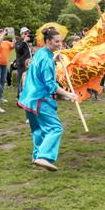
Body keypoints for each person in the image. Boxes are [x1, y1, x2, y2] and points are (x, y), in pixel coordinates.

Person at [18, 27, 78, 172]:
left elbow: (42, 65)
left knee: (38, 129)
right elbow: (51, 85)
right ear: (49, 41)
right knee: (55, 128)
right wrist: (69, 94)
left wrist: (54, 59)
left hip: (28, 98)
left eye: (61, 42)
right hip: (40, 99)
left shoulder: (40, 53)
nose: (60, 44)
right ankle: (43, 157)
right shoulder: (46, 59)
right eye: (57, 42)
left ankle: (36, 156)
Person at [15, 27, 33, 98]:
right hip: (21, 64)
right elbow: (18, 50)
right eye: (25, 33)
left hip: (28, 63)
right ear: (21, 34)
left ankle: (23, 95)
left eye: (28, 33)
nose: (27, 35)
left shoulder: (27, 42)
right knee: (21, 81)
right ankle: (20, 97)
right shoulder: (18, 41)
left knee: (26, 80)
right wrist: (24, 41)